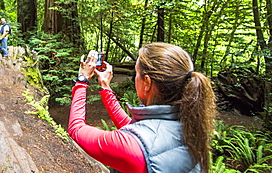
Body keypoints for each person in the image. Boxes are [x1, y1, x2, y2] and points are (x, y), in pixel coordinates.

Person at [68, 43, 216, 173]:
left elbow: (76, 130)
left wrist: (82, 80)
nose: (135, 78)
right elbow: (140, 134)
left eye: (136, 73)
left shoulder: (131, 148)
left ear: (147, 83)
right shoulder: (189, 123)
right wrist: (105, 88)